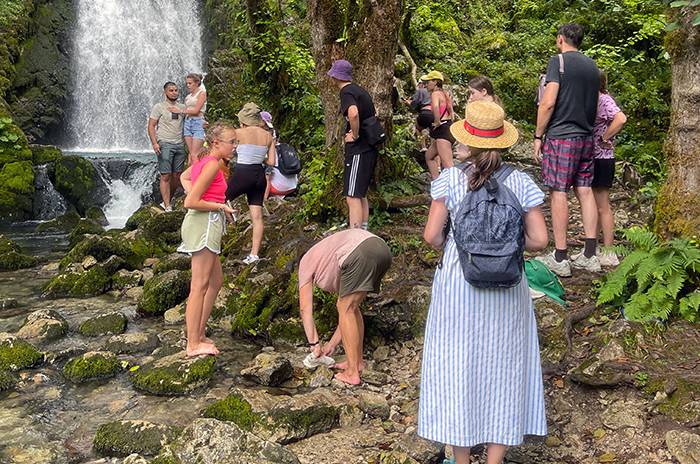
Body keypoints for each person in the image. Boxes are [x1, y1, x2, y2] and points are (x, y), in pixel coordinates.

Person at [418, 101, 548, 464]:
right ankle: (494, 460)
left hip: (460, 283)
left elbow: (431, 236)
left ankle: (460, 460)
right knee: (503, 367)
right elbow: (539, 240)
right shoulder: (521, 182)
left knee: (459, 366)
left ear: (469, 142)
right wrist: (504, 249)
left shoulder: (451, 180)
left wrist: (461, 247)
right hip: (508, 286)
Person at [533, 23, 602, 276]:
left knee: (558, 191)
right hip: (586, 136)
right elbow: (594, 102)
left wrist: (538, 135)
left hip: (562, 136)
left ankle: (561, 257)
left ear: (560, 39)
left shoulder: (558, 61)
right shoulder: (592, 66)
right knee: (584, 190)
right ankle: (590, 254)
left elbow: (548, 102)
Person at [298, 229, 392, 385]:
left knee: (346, 307)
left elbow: (305, 309)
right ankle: (357, 363)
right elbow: (348, 313)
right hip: (381, 249)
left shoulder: (305, 262)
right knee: (351, 308)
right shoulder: (327, 253)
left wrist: (314, 345)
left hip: (362, 251)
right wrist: (331, 345)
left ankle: (352, 373)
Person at [177, 122, 236, 357]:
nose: (235, 146)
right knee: (199, 286)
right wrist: (220, 206)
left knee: (215, 281)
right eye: (231, 142)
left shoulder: (205, 162)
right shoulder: (211, 165)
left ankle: (198, 333)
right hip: (204, 225)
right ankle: (192, 344)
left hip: (206, 223)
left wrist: (219, 206)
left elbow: (184, 177)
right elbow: (190, 201)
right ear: (216, 143)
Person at [327, 59, 379, 230]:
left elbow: (353, 113)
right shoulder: (359, 90)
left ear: (335, 77)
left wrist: (354, 135)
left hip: (359, 149)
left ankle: (354, 234)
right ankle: (362, 230)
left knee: (352, 196)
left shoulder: (346, 92)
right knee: (361, 193)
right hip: (369, 148)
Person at [226, 102, 276, 264]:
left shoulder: (237, 132)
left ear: (243, 120)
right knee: (257, 217)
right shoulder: (268, 136)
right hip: (259, 176)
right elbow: (272, 161)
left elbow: (228, 153)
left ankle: (230, 222)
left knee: (218, 198)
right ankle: (254, 255)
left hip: (243, 173)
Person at [592, 71, 627, 266]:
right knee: (592, 204)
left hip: (602, 158)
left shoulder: (604, 99)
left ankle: (609, 250)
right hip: (590, 157)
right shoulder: (589, 99)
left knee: (602, 205)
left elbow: (621, 119)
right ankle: (593, 247)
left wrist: (605, 137)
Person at [147, 82, 186, 212]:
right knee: (165, 175)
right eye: (171, 90)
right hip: (165, 143)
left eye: (176, 90)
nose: (174, 92)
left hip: (180, 144)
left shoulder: (182, 107)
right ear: (165, 92)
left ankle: (167, 200)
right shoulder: (159, 107)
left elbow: (192, 121)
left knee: (177, 175)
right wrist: (154, 143)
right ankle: (167, 205)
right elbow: (151, 125)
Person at [422, 70, 455, 179]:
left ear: (435, 82)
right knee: (429, 156)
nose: (426, 84)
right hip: (448, 126)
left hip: (442, 130)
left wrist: (437, 121)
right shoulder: (445, 94)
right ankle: (436, 183)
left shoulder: (435, 94)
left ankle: (455, 191)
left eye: (428, 82)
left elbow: (435, 107)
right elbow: (451, 112)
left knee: (448, 165)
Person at [170, 73, 207, 166]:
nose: (188, 85)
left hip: (197, 122)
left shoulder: (202, 93)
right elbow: (187, 111)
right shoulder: (188, 97)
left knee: (195, 154)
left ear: (197, 82)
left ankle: (197, 177)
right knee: (191, 154)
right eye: (187, 83)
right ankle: (191, 176)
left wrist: (179, 111)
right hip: (187, 123)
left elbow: (196, 111)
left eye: (190, 83)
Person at [260, 112, 298, 200]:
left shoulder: (268, 150)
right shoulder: (285, 147)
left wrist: (263, 200)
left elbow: (267, 175)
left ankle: (264, 199)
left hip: (279, 188)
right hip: (293, 186)